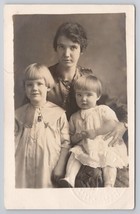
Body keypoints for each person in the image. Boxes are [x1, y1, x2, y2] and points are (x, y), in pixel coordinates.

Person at [48, 22, 128, 148]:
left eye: (73, 47)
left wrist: (124, 124)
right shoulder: (43, 77)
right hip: (53, 144)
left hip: (85, 146)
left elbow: (120, 108)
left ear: (82, 50)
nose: (66, 54)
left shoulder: (88, 78)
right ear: (56, 48)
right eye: (61, 47)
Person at [59, 75, 128, 187]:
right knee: (75, 154)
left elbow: (112, 123)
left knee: (109, 161)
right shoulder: (74, 117)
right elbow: (70, 135)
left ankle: (109, 184)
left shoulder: (102, 110)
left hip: (104, 144)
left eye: (88, 95)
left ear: (98, 96)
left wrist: (96, 132)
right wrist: (77, 137)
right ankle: (69, 178)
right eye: (79, 95)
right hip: (86, 147)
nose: (83, 99)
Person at [15, 63, 70, 188]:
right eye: (29, 85)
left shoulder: (58, 113)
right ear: (24, 88)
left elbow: (66, 143)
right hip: (22, 166)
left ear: (48, 87)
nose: (34, 88)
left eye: (39, 84)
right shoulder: (18, 115)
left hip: (48, 165)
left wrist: (60, 167)